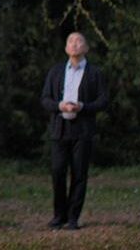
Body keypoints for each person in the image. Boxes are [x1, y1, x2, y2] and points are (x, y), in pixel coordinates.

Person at [40, 31, 109, 230]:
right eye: (70, 41)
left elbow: (103, 100)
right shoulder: (56, 71)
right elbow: (45, 99)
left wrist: (82, 107)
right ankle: (58, 216)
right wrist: (60, 106)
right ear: (66, 48)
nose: (74, 44)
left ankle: (73, 218)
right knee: (58, 171)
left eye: (79, 41)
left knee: (79, 174)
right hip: (60, 128)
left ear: (86, 48)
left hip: (83, 130)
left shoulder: (95, 73)